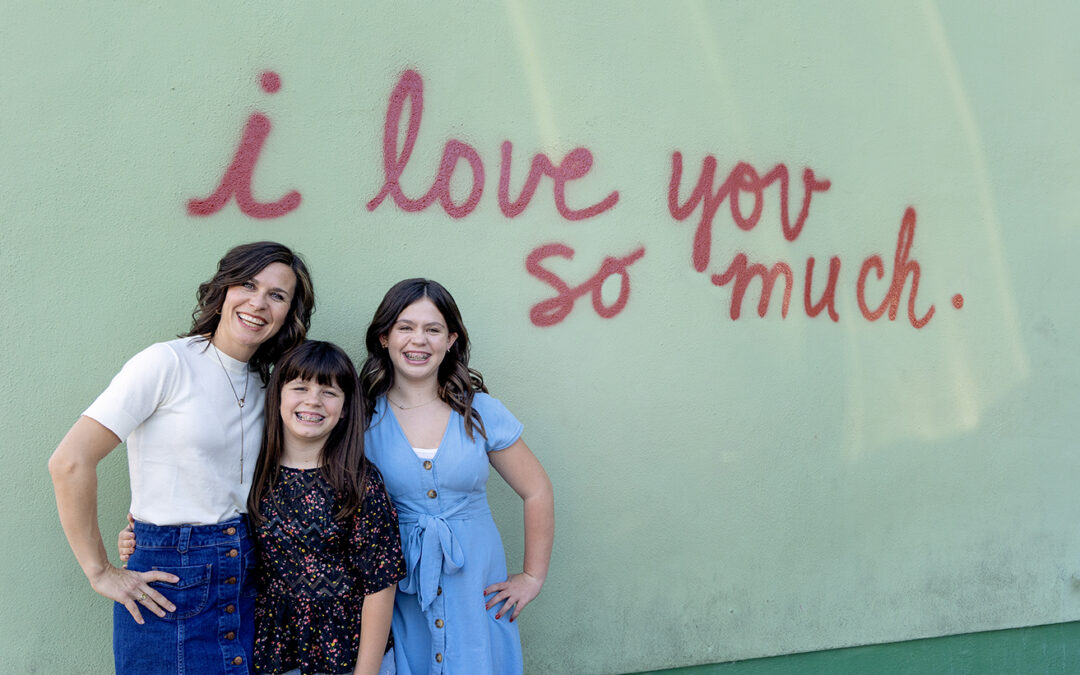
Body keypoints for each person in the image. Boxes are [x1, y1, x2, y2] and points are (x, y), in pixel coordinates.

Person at [49, 241, 315, 674]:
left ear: (289, 313)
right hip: (169, 583)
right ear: (224, 289)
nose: (258, 303)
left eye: (277, 295)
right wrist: (101, 570)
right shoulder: (166, 363)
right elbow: (70, 461)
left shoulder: (270, 388)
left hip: (244, 574)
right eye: (248, 284)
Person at [359, 279, 554, 674]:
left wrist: (532, 576)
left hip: (475, 591)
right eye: (405, 327)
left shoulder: (479, 412)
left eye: (432, 330)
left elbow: (537, 490)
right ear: (384, 337)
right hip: (401, 591)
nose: (419, 340)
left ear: (450, 340)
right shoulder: (361, 416)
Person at [244, 340, 406, 675]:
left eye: (329, 392)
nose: (313, 400)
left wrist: (366, 672)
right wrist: (136, 535)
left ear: (345, 407)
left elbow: (380, 584)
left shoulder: (359, 482)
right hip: (274, 651)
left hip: (348, 654)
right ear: (277, 397)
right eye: (300, 387)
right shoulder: (253, 472)